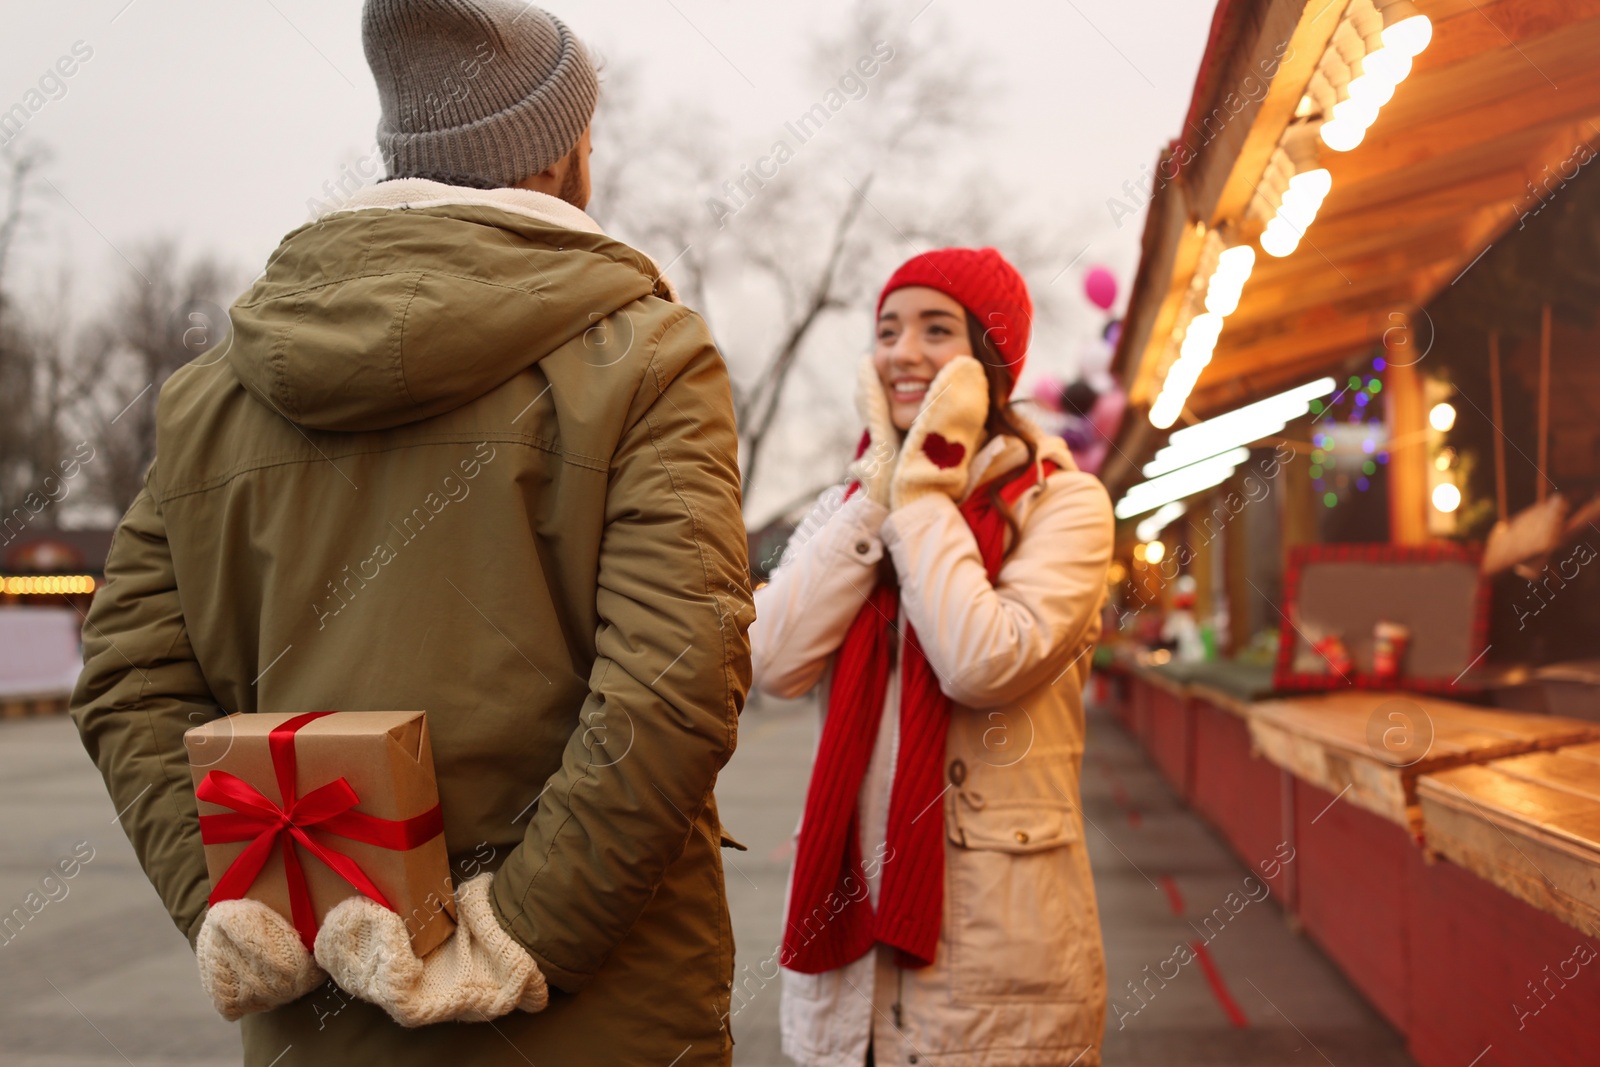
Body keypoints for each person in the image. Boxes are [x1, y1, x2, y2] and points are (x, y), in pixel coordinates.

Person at [68, 3, 753, 1064]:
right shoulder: (652, 359)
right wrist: (515, 930)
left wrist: (250, 908)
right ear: (565, 151)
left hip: (325, 1015)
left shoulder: (210, 395)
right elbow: (674, 676)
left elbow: (125, 678)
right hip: (597, 1010)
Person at [751, 248, 1113, 1066]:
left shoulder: (1062, 503)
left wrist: (921, 498)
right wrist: (876, 494)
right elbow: (771, 660)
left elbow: (982, 661)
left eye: (935, 329)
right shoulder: (850, 502)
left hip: (990, 954)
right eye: (887, 329)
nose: (902, 352)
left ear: (988, 358)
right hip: (847, 966)